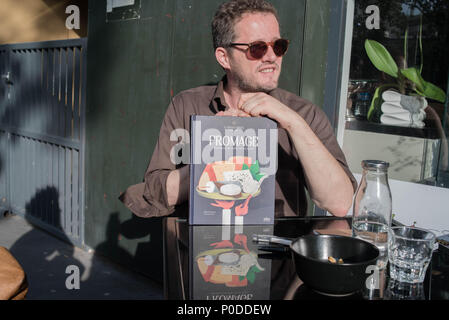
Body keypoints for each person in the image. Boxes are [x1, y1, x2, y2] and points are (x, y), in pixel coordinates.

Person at [120, 0, 356, 218]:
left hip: (278, 252)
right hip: (203, 248)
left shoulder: (303, 114)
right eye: (258, 48)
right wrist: (215, 159)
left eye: (279, 46)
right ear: (225, 58)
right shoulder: (187, 105)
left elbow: (340, 203)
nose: (272, 57)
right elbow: (154, 191)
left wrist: (293, 124)